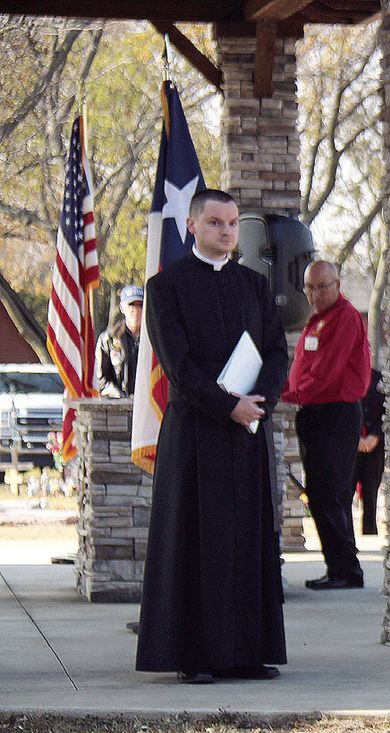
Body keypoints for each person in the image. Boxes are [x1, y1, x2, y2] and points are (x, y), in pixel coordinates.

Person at [135, 189, 289, 684]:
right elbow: (179, 368)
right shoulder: (166, 288)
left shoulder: (255, 286)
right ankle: (194, 656)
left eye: (232, 224)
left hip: (246, 433)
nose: (226, 232)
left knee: (246, 540)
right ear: (193, 227)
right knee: (197, 540)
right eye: (216, 223)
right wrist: (230, 406)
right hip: (196, 434)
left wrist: (257, 405)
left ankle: (247, 651)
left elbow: (276, 354)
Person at [282, 260, 371, 589]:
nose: (315, 294)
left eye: (322, 286)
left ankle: (347, 571)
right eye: (310, 287)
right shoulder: (317, 321)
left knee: (330, 494)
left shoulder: (344, 318)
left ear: (338, 284)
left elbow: (327, 372)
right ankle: (338, 568)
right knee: (320, 494)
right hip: (316, 413)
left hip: (335, 413)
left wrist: (289, 395)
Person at [95, 285, 143, 398]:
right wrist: (120, 396)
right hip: (118, 408)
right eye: (131, 304)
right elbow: (102, 381)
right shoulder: (108, 339)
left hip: (147, 406)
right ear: (122, 307)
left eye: (140, 305)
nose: (135, 310)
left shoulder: (154, 338)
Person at [354, 367, 385, 536]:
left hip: (373, 447)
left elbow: (387, 411)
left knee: (371, 493)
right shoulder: (342, 376)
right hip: (350, 446)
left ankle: (370, 533)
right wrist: (353, 437)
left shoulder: (381, 379)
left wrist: (375, 435)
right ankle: (346, 541)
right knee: (344, 495)